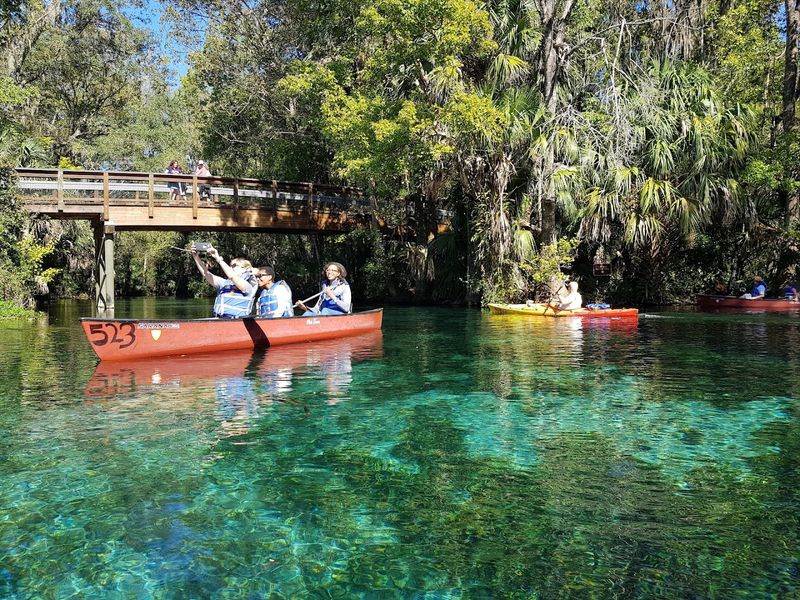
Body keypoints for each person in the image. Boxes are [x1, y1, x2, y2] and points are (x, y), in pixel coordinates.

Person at [191, 245, 257, 318]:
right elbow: (206, 274)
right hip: (220, 319)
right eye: (230, 265)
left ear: (245, 269)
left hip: (237, 322)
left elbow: (232, 276)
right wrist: (195, 257)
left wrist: (218, 259)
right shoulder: (224, 283)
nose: (231, 267)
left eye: (234, 265)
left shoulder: (248, 285)